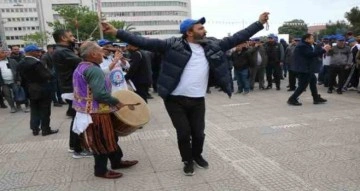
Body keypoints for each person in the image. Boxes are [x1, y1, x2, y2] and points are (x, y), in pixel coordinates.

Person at [102, 12, 269, 176]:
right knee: (183, 133)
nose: (205, 31)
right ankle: (187, 160)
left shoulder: (212, 45)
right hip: (175, 100)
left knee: (198, 133)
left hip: (197, 100)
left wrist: (259, 23)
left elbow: (237, 37)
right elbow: (143, 42)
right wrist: (117, 32)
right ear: (189, 32)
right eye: (201, 28)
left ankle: (197, 155)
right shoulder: (171, 45)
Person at [72, 41, 138, 179]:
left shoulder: (83, 66)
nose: (103, 53)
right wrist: (116, 102)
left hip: (86, 110)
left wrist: (114, 61)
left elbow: (101, 73)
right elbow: (100, 94)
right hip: (97, 112)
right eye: (100, 51)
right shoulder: (93, 69)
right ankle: (100, 170)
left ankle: (116, 161)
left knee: (110, 138)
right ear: (93, 54)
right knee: (102, 141)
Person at [52, 29, 91, 158]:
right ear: (63, 38)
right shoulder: (63, 51)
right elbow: (82, 62)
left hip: (69, 88)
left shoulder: (63, 50)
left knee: (76, 117)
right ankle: (78, 150)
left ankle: (74, 146)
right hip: (72, 88)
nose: (73, 37)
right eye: (71, 35)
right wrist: (85, 48)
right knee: (79, 119)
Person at [18, 45, 59, 136]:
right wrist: (52, 73)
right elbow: (46, 75)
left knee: (34, 109)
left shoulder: (21, 62)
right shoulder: (36, 63)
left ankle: (35, 129)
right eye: (37, 51)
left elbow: (22, 78)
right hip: (42, 88)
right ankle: (45, 129)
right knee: (45, 110)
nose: (39, 53)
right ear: (31, 52)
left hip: (30, 88)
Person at [287, 34, 331, 106]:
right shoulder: (302, 46)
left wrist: (322, 48)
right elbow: (310, 54)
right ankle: (292, 99)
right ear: (306, 39)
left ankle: (316, 98)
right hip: (303, 69)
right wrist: (324, 50)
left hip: (307, 68)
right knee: (303, 85)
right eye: (312, 38)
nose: (313, 39)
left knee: (313, 81)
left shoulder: (306, 45)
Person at [0, 47, 23, 113]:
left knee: (16, 93)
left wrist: (18, 79)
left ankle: (18, 105)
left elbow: (17, 71)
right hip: (4, 83)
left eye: (4, 52)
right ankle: (12, 107)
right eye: (2, 52)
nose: (4, 53)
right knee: (7, 95)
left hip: (14, 80)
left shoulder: (12, 61)